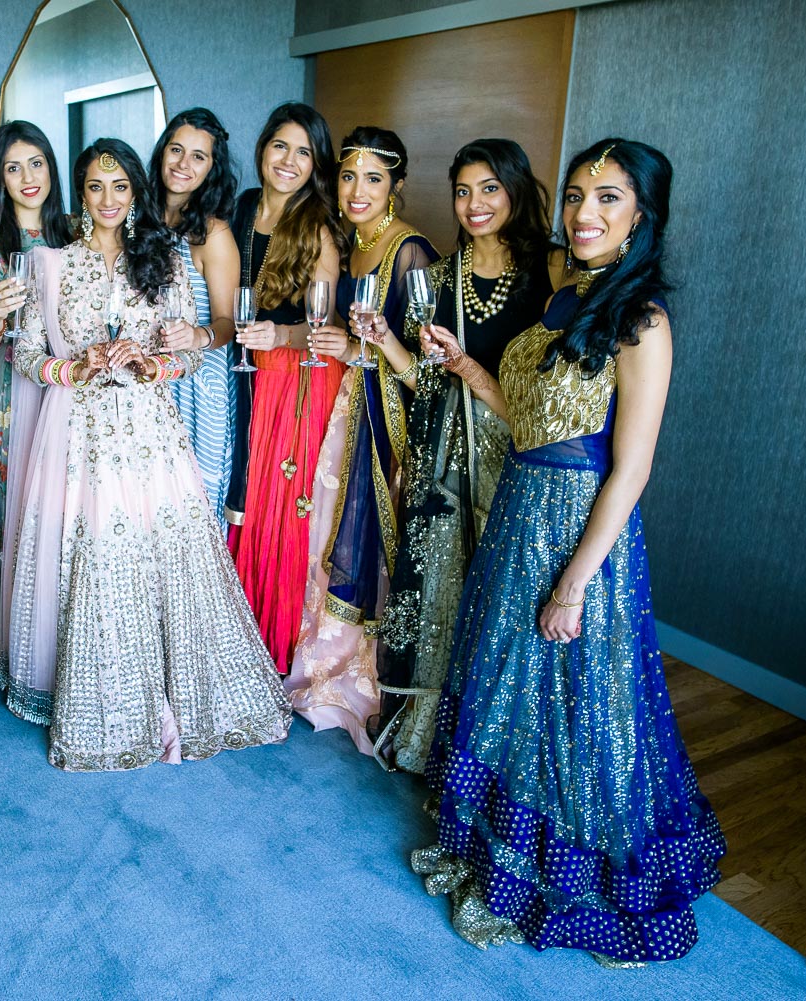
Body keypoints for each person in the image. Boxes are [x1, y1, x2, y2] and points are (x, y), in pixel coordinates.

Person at [410, 139, 725, 964]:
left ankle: (569, 888)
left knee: (578, 716)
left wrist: (575, 585)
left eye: (609, 198)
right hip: (518, 510)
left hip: (579, 537)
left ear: (642, 218)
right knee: (507, 688)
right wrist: (469, 368)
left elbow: (631, 467)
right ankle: (492, 856)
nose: (584, 212)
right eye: (579, 193)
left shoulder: (641, 319)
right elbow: (534, 421)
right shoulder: (568, 294)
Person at [3, 138, 291, 770]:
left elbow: (190, 352)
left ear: (135, 193)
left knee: (156, 547)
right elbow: (24, 355)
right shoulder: (49, 263)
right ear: (80, 193)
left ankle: (166, 688)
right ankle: (87, 690)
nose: (108, 200)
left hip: (148, 426)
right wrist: (73, 365)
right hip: (77, 427)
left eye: (121, 187)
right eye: (95, 187)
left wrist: (152, 361)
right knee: (88, 545)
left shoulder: (159, 259)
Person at [370, 138, 559, 771]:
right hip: (441, 465)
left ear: (514, 192)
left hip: (512, 462)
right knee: (440, 596)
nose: (474, 204)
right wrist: (384, 341)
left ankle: (493, 745)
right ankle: (435, 734)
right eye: (462, 191)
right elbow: (423, 379)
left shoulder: (548, 275)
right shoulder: (438, 278)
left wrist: (470, 370)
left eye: (489, 189)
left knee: (499, 598)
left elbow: (553, 391)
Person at [286, 127, 440, 752]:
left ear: (397, 187)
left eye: (373, 179)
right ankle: (320, 663)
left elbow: (427, 374)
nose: (357, 191)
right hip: (352, 403)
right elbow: (361, 346)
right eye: (348, 176)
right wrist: (350, 348)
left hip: (390, 422)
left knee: (368, 544)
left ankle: (362, 677)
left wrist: (369, 347)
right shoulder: (351, 247)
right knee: (328, 532)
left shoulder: (410, 252)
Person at [228, 102, 345, 673]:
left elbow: (322, 329)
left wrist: (279, 332)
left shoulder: (317, 227)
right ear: (263, 148)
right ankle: (232, 624)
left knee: (276, 505)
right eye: (281, 146)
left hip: (293, 379)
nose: (289, 161)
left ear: (316, 163)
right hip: (243, 368)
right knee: (240, 490)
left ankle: (270, 643)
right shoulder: (243, 208)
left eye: (304, 152)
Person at [0, 121, 75, 686]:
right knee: (19, 503)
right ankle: (18, 633)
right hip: (15, 389)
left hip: (72, 387)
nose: (28, 178)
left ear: (52, 168)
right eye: (13, 168)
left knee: (66, 504)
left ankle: (67, 630)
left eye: (36, 163)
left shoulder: (76, 232)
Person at [146, 108, 240, 521]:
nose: (184, 164)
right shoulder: (137, 218)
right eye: (177, 150)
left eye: (198, 157)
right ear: (162, 152)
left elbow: (228, 323)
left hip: (198, 384)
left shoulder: (213, 233)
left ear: (211, 169)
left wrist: (197, 336)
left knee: (191, 508)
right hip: (147, 376)